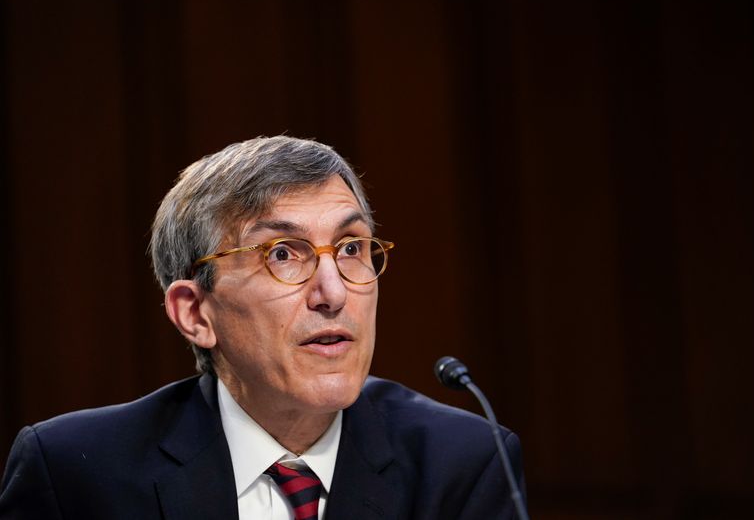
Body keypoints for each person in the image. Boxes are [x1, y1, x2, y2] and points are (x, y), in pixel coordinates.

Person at [0, 135, 526, 519]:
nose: (334, 293)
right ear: (194, 313)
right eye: (282, 254)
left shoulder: (465, 465)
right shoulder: (76, 474)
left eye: (350, 248)